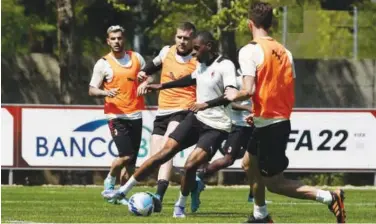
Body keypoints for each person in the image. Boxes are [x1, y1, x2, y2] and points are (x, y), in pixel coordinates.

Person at [224, 2, 346, 223]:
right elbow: (282, 89)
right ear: (270, 25)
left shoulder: (250, 50)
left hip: (271, 125)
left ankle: (329, 197)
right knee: (247, 164)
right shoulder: (285, 52)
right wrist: (260, 111)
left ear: (249, 24)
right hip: (271, 120)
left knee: (275, 184)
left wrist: (234, 95)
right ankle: (260, 215)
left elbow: (248, 89)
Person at [102, 31, 238, 218]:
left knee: (190, 166)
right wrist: (161, 86)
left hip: (217, 126)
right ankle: (123, 190)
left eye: (197, 48)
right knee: (164, 153)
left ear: (210, 46)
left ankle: (179, 205)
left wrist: (206, 104)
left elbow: (230, 95)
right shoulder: (200, 63)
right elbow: (189, 79)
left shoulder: (226, 65)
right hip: (197, 118)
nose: (194, 53)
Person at [136, 22, 198, 210]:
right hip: (163, 110)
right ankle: (193, 183)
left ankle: (158, 197)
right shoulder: (166, 52)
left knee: (166, 149)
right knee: (156, 158)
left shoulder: (197, 59)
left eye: (186, 38)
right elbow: (153, 66)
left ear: (193, 39)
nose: (182, 41)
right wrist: (143, 74)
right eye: (179, 37)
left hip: (183, 109)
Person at [88, 25, 146, 205]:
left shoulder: (136, 58)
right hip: (115, 115)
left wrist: (146, 83)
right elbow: (91, 90)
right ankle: (110, 179)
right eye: (113, 39)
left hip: (135, 114)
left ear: (124, 39)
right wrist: (105, 93)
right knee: (126, 155)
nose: (116, 42)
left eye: (119, 38)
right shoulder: (103, 63)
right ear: (108, 41)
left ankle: (119, 195)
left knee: (131, 164)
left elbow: (147, 75)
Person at [194, 71, 255, 205]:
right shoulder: (238, 81)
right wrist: (246, 108)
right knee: (228, 160)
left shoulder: (258, 81)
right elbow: (229, 102)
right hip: (238, 126)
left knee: (256, 161)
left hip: (253, 126)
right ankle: (199, 175)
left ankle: (253, 195)